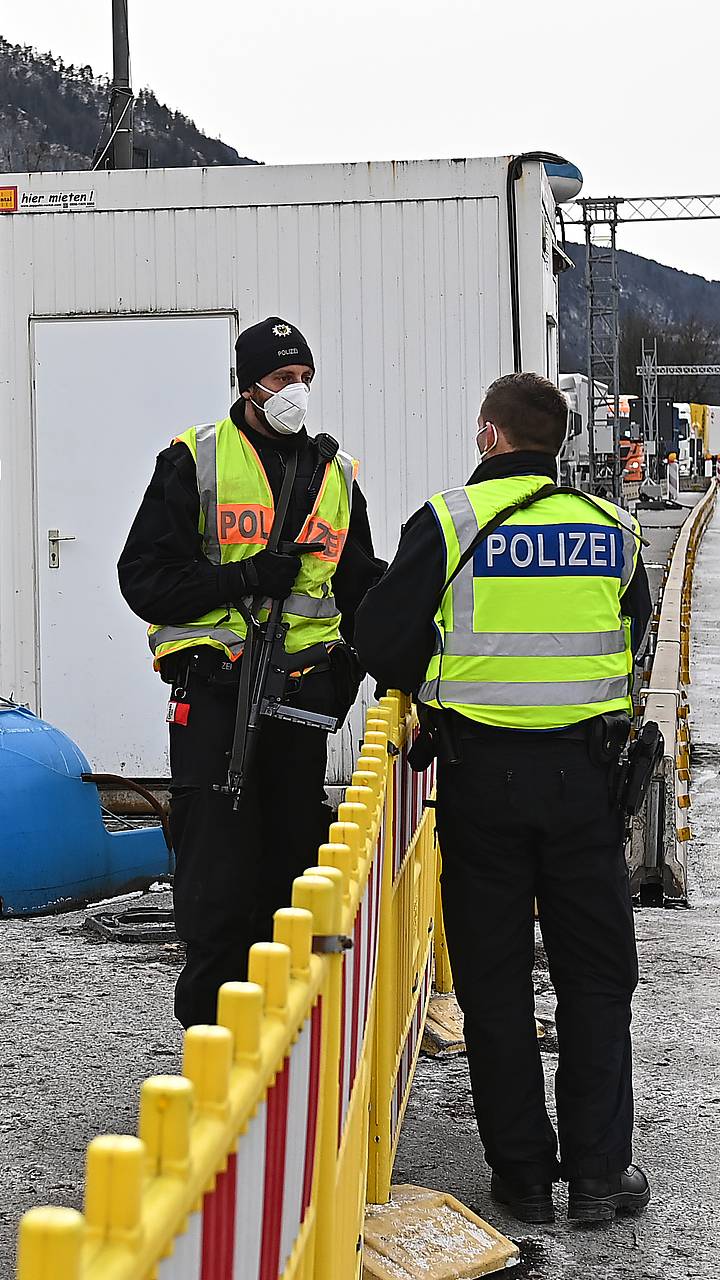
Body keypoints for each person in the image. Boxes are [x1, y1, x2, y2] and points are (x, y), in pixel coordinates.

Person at [356, 372, 653, 1226]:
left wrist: (436, 682)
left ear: (490, 437)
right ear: (554, 444)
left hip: (482, 781)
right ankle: (600, 1176)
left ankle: (521, 1175)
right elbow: (631, 638)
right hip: (585, 784)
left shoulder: (448, 523)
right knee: (596, 981)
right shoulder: (613, 530)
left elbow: (380, 635)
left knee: (492, 981)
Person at [119, 317, 384, 1029]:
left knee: (293, 869)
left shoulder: (336, 474)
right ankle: (212, 1041)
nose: (295, 391)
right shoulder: (195, 459)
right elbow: (144, 579)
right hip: (217, 704)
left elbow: (358, 586)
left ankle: (285, 1037)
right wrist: (239, 579)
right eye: (281, 379)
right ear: (248, 385)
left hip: (299, 708)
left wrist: (362, 664)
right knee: (215, 880)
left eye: (304, 379)